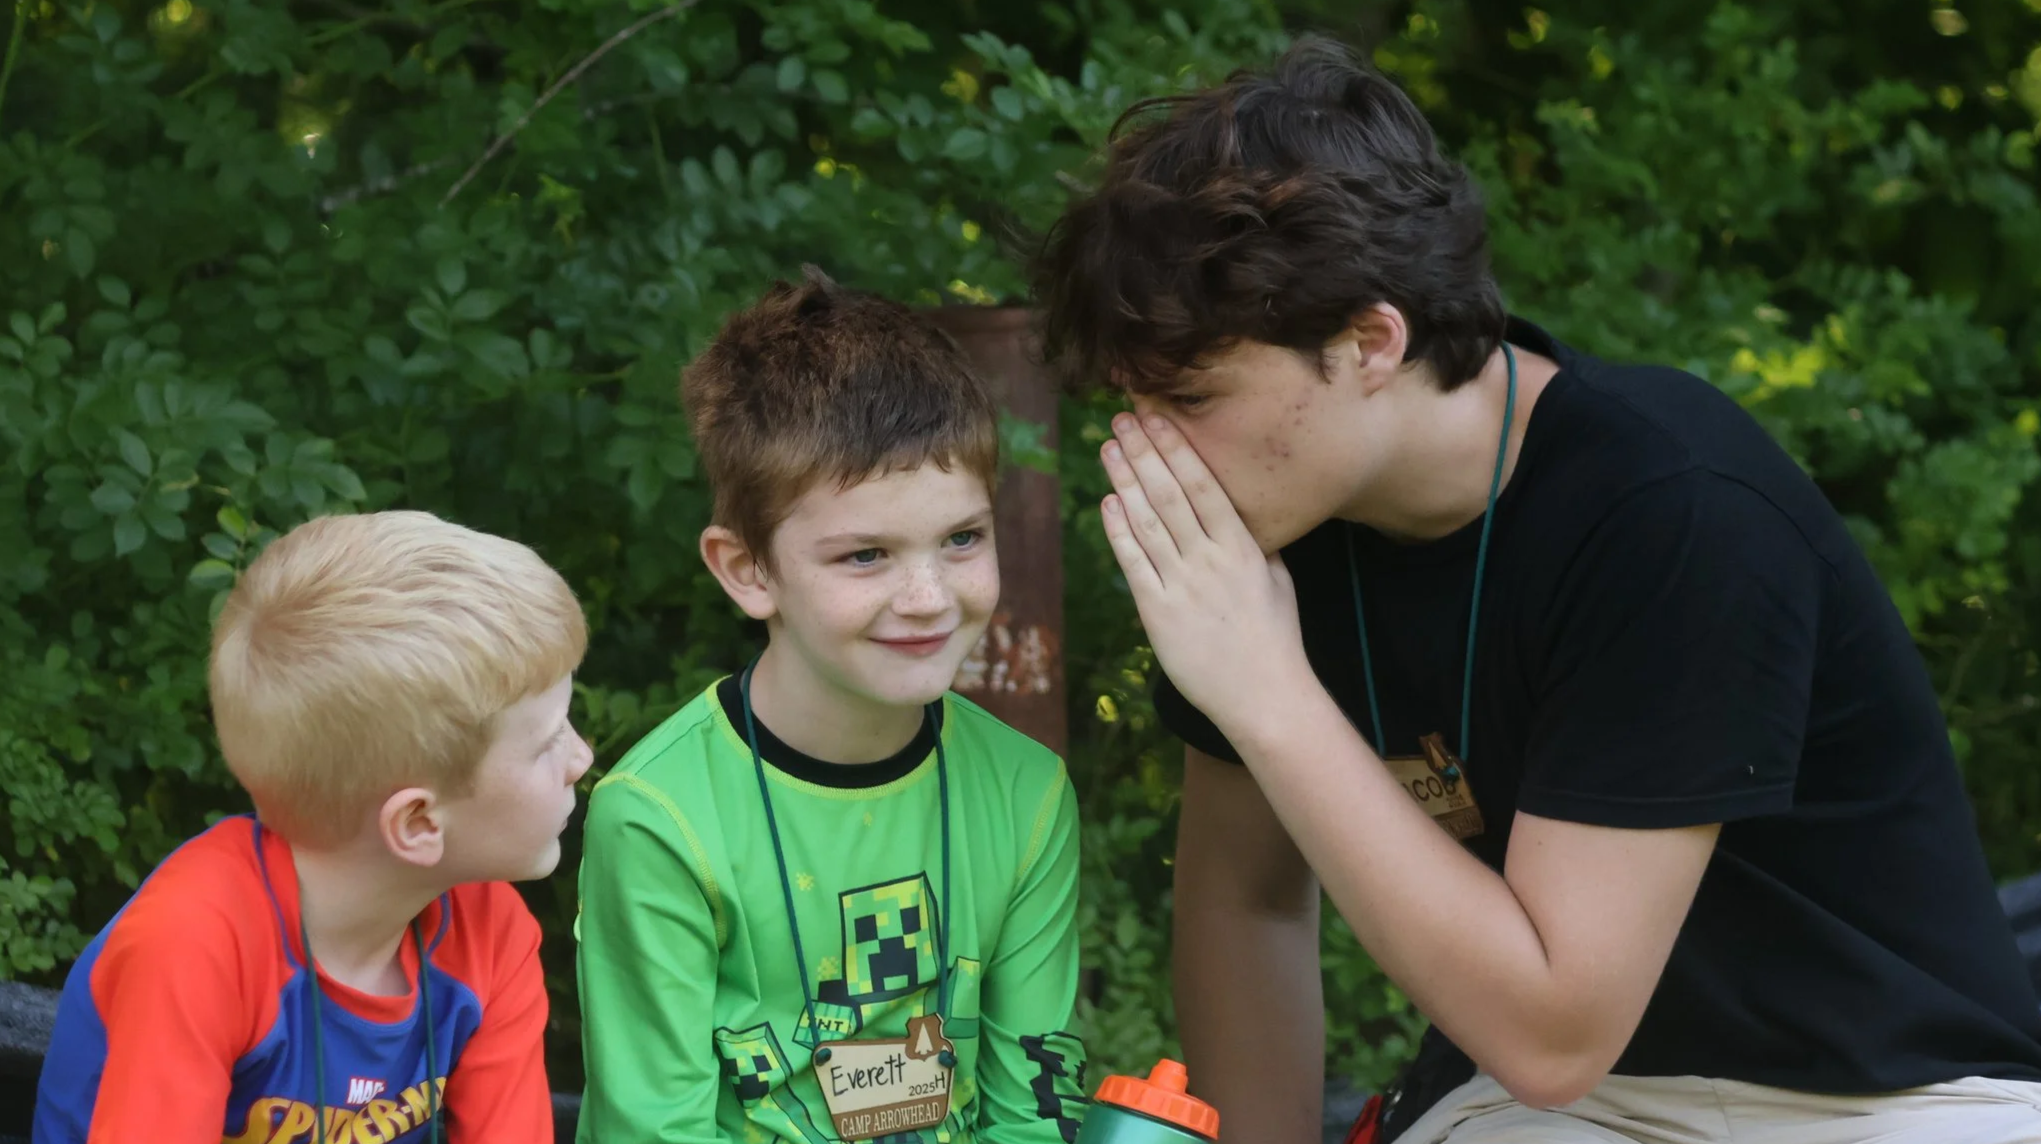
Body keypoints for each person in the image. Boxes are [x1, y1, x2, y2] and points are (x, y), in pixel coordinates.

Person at [1028, 34, 2041, 1144]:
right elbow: (1247, 899)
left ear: (1371, 340)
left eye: (1190, 396)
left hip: (1887, 1099)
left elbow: (1558, 1028)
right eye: (1129, 403)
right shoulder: (1287, 507)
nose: (1147, 449)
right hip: (1564, 1109)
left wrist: (1266, 695)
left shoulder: (1668, 507)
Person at [574, 266, 1089, 1144]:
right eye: (865, 556)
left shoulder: (1026, 791)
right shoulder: (660, 816)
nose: (927, 595)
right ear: (747, 571)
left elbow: (1036, 1113)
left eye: (961, 538)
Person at [35, 510, 592, 1144]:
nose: (582, 757)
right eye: (548, 742)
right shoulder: (194, 942)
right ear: (416, 821)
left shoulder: (491, 936)